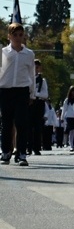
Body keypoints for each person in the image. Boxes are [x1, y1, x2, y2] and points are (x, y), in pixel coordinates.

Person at [1, 22, 35, 166]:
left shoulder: (28, 54)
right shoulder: (3, 52)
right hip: (5, 90)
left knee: (21, 123)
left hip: (22, 91)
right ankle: (6, 152)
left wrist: (32, 94)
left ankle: (21, 153)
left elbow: (31, 75)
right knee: (6, 123)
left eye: (20, 35)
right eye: (15, 35)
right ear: (9, 36)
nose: (18, 38)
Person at [30, 59, 50, 154]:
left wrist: (35, 94)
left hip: (38, 104)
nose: (35, 69)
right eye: (34, 66)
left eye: (37, 67)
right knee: (28, 126)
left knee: (38, 127)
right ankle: (28, 147)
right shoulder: (27, 78)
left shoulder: (42, 80)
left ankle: (36, 148)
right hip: (29, 103)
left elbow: (45, 94)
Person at [61, 86, 74, 151]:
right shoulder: (67, 100)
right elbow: (64, 109)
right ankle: (71, 145)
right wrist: (62, 117)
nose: (73, 92)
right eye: (72, 91)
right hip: (69, 117)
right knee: (71, 131)